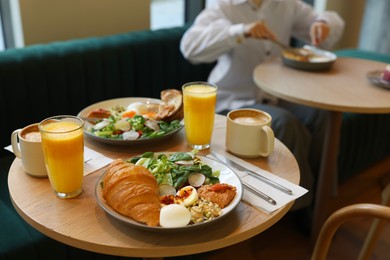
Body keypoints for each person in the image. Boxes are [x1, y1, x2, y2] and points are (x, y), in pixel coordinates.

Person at [180, 0, 344, 212]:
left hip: (278, 93)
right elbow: (189, 47)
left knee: (322, 113)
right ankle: (299, 208)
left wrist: (323, 23)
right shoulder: (224, 6)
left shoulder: (286, 5)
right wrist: (240, 31)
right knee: (285, 123)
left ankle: (323, 199)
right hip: (235, 101)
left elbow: (330, 22)